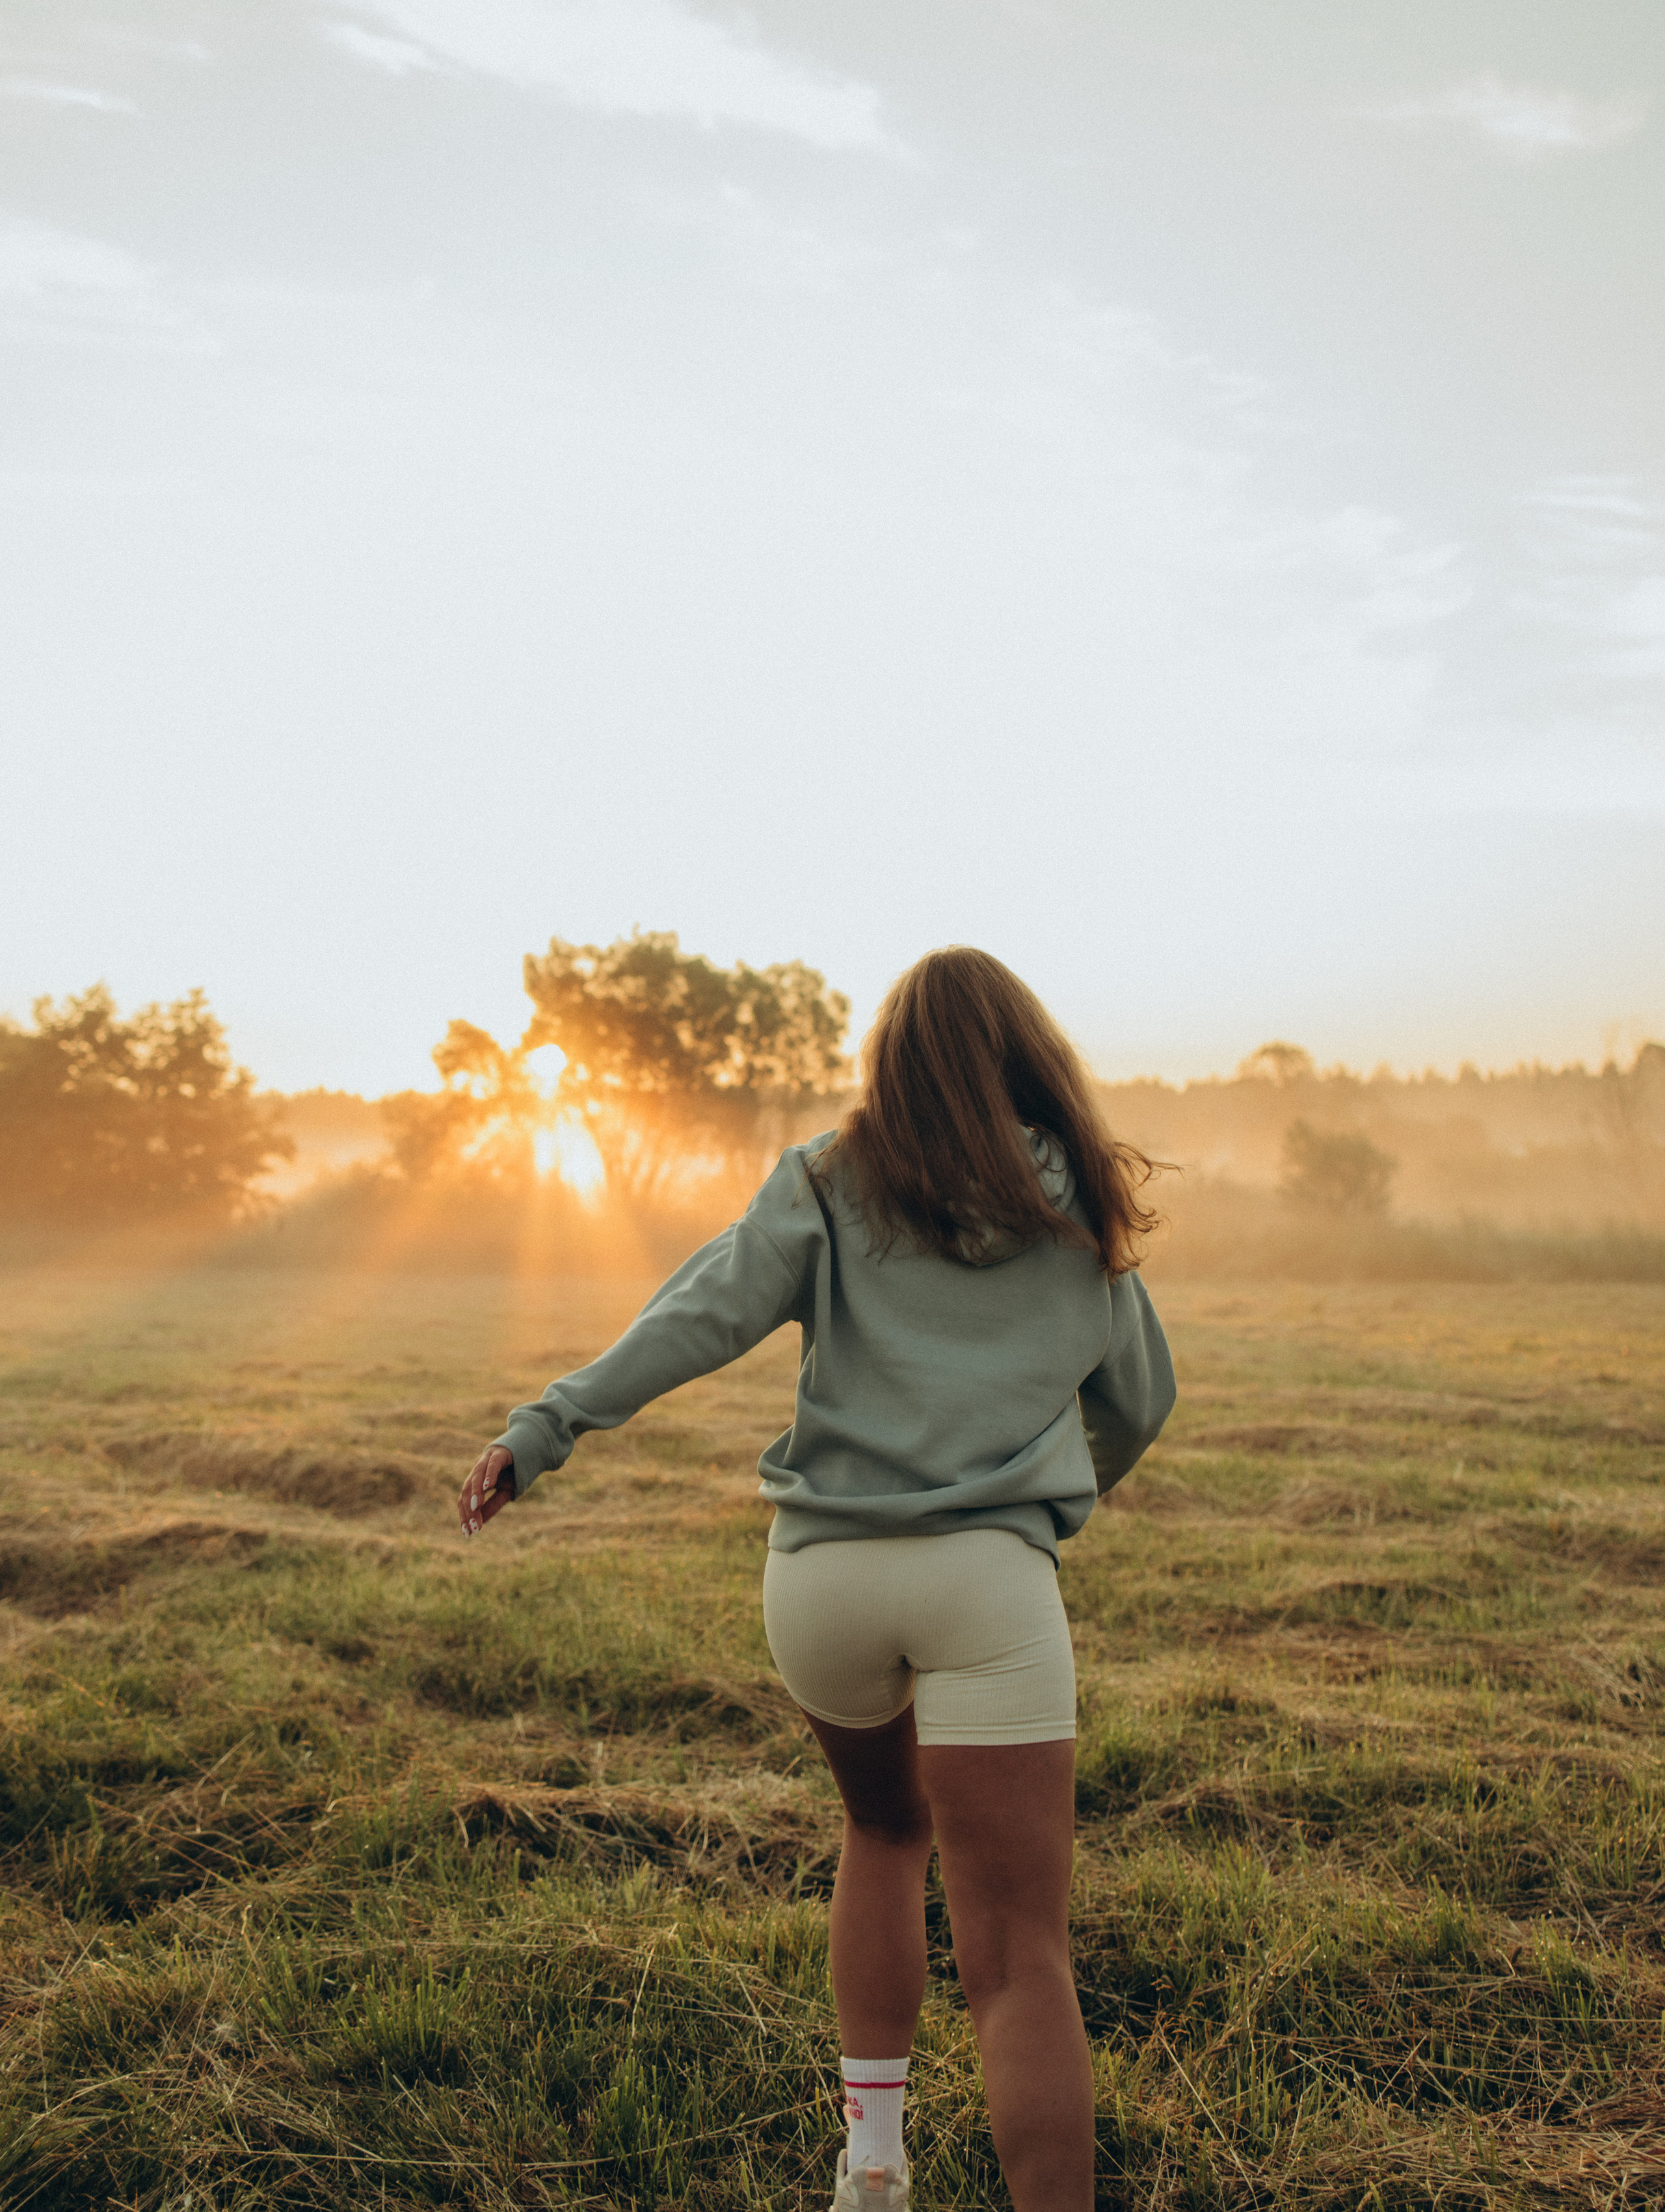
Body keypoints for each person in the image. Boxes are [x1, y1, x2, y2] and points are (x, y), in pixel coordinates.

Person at [455, 946, 1176, 2212]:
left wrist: (542, 1428)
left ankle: (874, 2169)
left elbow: (695, 1318)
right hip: (987, 1584)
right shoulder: (1078, 1210)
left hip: (822, 1584)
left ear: (890, 1066)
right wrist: (1047, 1499)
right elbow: (1139, 1400)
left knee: (882, 1830)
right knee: (1016, 1958)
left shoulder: (830, 1181)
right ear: (1031, 1060)